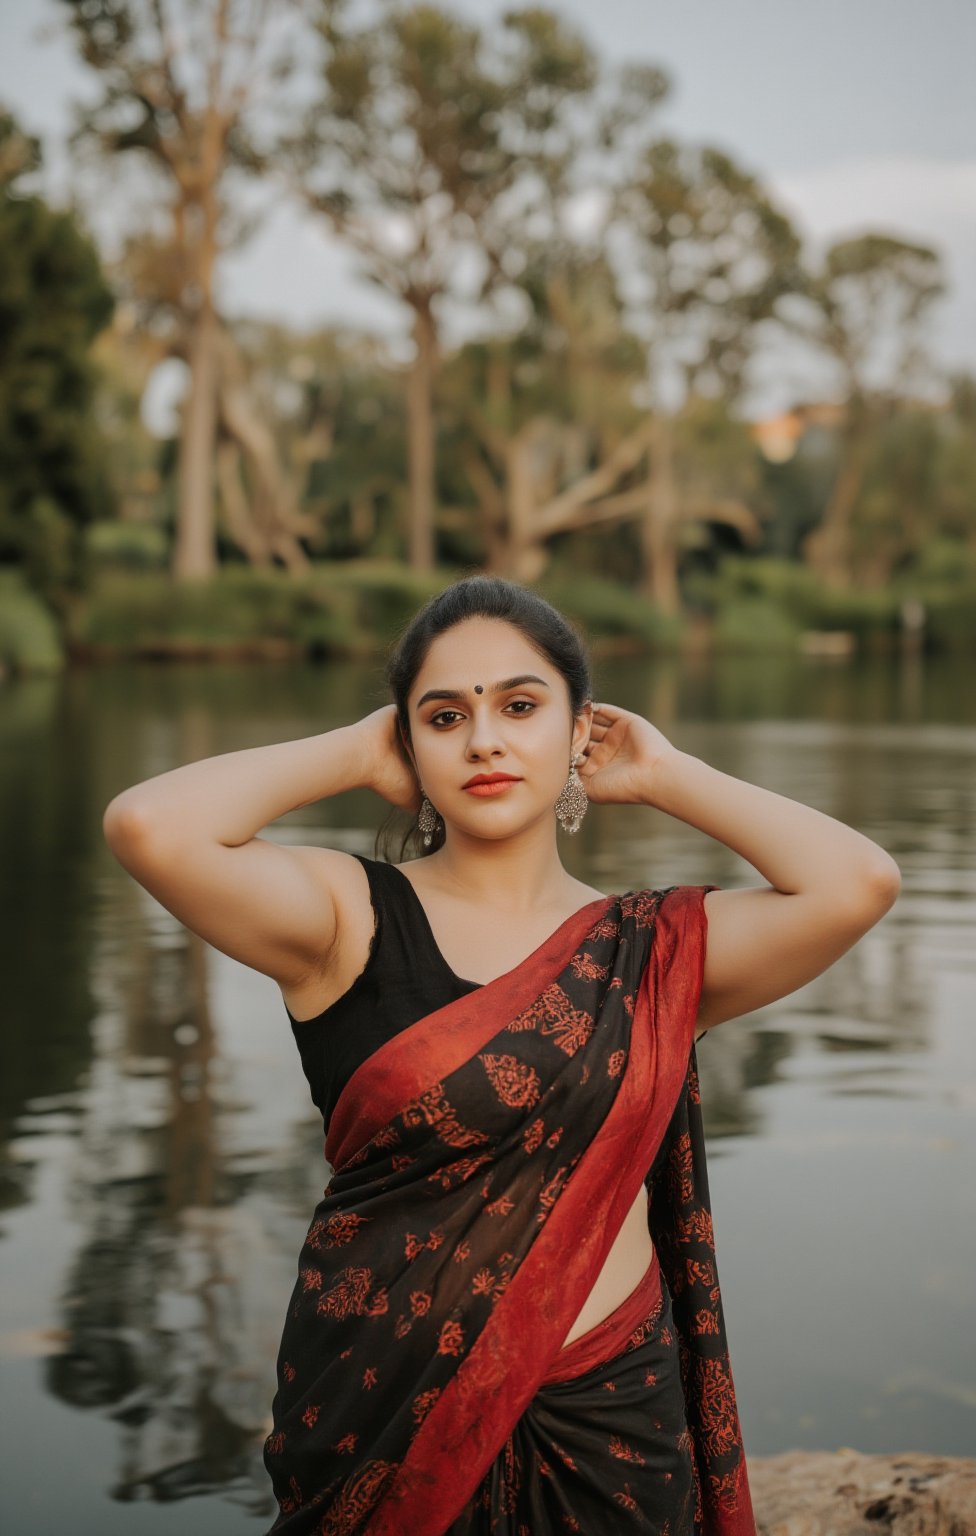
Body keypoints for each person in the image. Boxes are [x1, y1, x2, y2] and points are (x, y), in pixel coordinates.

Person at [102, 574, 901, 1535]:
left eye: (521, 706)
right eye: (444, 716)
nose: (484, 739)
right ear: (409, 742)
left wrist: (663, 773)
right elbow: (147, 825)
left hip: (607, 1417)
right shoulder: (347, 918)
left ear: (578, 731)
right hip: (382, 1408)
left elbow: (858, 881)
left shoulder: (646, 953)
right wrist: (357, 748)